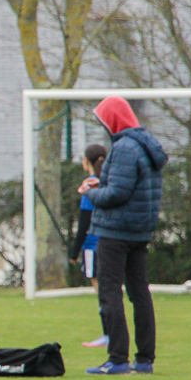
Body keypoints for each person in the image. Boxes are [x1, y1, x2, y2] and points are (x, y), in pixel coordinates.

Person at [79, 97, 166, 375]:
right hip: (139, 230)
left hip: (116, 232)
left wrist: (89, 192)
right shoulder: (145, 144)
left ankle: (117, 359)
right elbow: (129, 186)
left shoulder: (124, 147)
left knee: (110, 292)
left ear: (113, 120)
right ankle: (144, 360)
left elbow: (116, 194)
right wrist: (101, 182)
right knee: (140, 293)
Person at [68, 143, 109, 349]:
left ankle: (108, 334)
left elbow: (84, 223)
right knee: (112, 289)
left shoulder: (90, 185)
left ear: (86, 162)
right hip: (112, 242)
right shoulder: (110, 182)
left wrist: (74, 252)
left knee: (102, 291)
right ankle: (114, 334)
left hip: (93, 245)